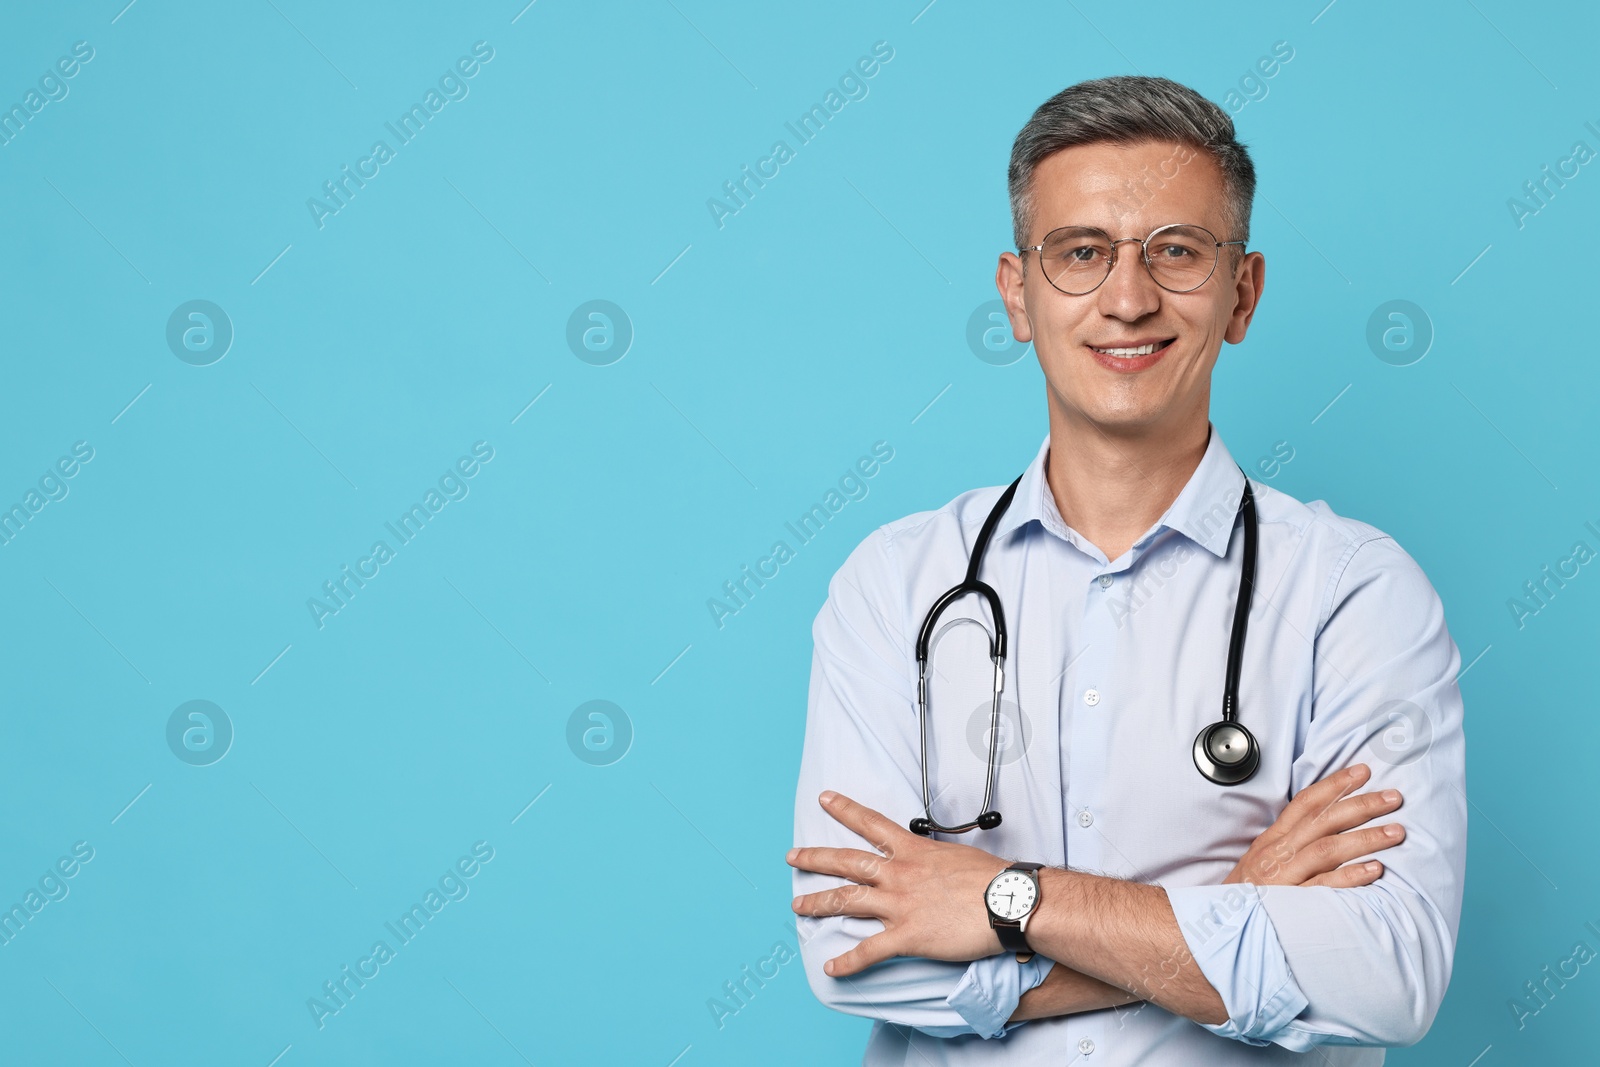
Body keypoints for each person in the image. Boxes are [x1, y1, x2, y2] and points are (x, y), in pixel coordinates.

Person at [786, 75, 1466, 1065]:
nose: (1129, 297)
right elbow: (857, 951)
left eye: (1177, 252)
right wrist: (1232, 910)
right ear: (1017, 294)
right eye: (1080, 253)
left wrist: (1000, 898)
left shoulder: (1352, 593)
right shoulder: (894, 585)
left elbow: (1385, 973)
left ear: (1242, 291)